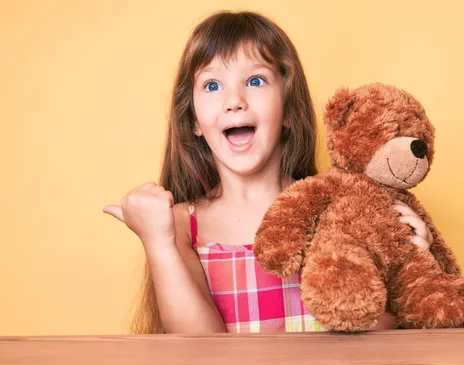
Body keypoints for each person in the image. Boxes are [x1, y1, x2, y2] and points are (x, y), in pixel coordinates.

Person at [103, 10, 434, 334]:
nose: (234, 100)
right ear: (193, 122)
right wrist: (158, 243)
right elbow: (200, 349)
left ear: (288, 110)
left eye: (255, 80)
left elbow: (376, 330)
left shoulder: (338, 211)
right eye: (212, 85)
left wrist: (410, 262)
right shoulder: (179, 227)